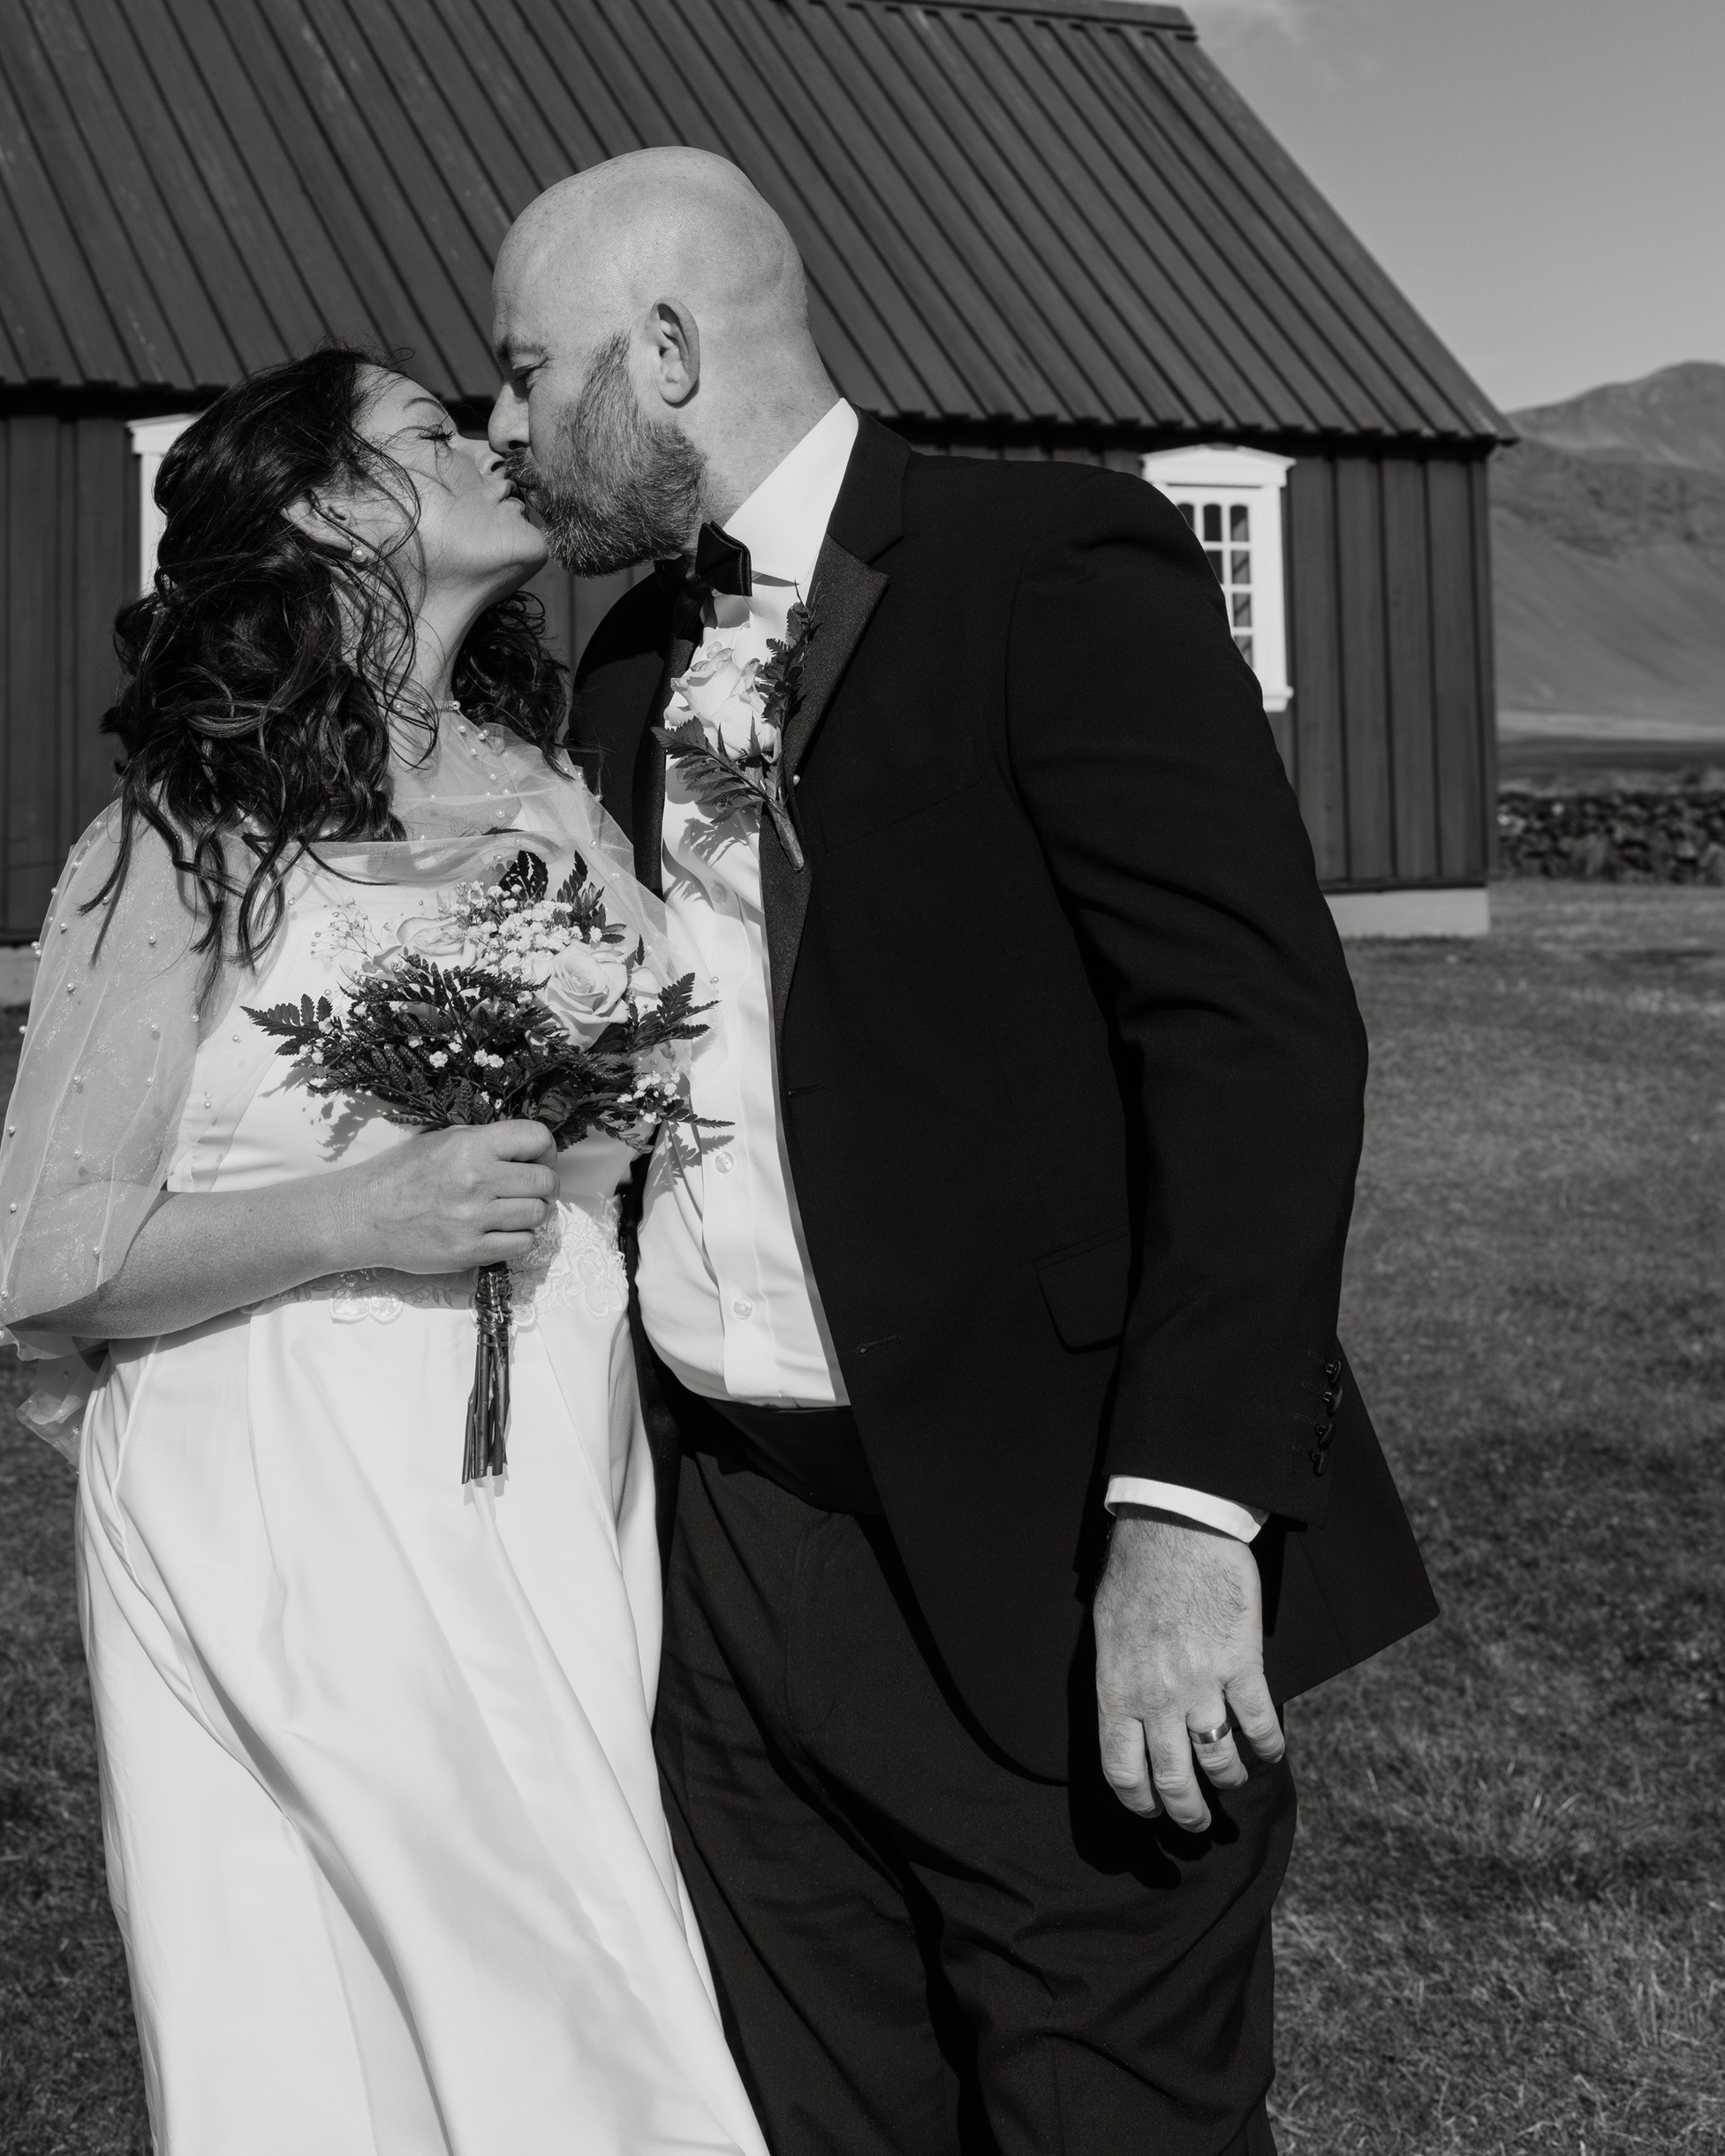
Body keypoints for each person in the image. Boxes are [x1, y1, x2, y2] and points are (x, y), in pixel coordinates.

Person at [487, 148, 1439, 2156]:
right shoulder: (625, 668)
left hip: (1046, 1530)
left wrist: (1187, 1524)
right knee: (818, 2113)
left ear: (659, 351)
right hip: (730, 1548)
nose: (501, 429)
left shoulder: (1047, 567)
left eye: (520, 373)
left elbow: (1255, 1042)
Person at [0, 349, 768, 2156]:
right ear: (327, 509)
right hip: (284, 1469)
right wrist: (364, 1212)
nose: (496, 440)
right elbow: (50, 1256)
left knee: (569, 1899)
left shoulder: (559, 796)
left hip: (552, 1452)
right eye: (431, 428)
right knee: (454, 1979)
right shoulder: (186, 838)